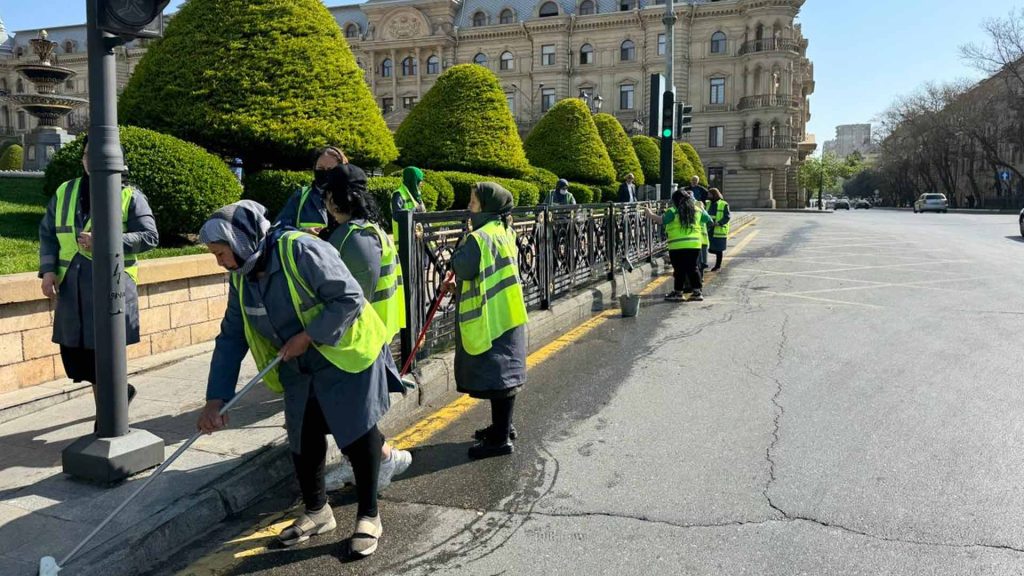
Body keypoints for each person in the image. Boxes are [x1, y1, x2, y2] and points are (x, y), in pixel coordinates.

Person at [197, 200, 391, 557]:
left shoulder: (301, 250)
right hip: (298, 367)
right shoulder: (241, 277)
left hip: (345, 354)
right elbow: (231, 337)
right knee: (303, 437)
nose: (219, 262)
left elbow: (348, 297)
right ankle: (318, 512)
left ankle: (369, 516)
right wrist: (215, 399)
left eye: (221, 253)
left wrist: (308, 336)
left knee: (358, 435)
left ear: (241, 241)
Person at [39, 137, 158, 431]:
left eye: (99, 154)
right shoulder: (65, 191)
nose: (91, 159)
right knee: (77, 355)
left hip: (111, 287)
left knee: (101, 353)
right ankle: (117, 397)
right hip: (72, 286)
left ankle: (106, 415)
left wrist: (105, 241)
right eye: (87, 154)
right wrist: (47, 271)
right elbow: (47, 233)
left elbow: (149, 237)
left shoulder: (129, 195)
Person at [321, 163, 412, 491]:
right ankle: (361, 462)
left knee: (350, 413)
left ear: (335, 198)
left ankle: (385, 459)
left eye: (327, 194)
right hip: (369, 334)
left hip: (356, 340)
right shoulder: (367, 230)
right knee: (350, 412)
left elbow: (351, 297)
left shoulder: (354, 238)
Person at [444, 183, 528, 459]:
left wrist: (457, 255)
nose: (469, 207)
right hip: (508, 311)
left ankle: (500, 439)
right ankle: (503, 427)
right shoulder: (503, 230)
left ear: (487, 208)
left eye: (473, 203)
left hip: (491, 316)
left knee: (499, 376)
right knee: (504, 373)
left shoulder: (480, 238)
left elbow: (464, 267)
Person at [647, 190, 711, 302]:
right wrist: (702, 208)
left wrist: (650, 214)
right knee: (693, 268)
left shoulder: (672, 211)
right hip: (694, 244)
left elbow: (662, 220)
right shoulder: (696, 210)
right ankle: (697, 292)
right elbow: (708, 220)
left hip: (677, 245)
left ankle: (678, 293)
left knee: (679, 269)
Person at [274, 146, 348, 236]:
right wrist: (303, 232)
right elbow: (276, 230)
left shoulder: (351, 199)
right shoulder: (301, 197)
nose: (325, 173)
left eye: (330, 169)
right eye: (320, 169)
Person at [392, 166, 426, 241]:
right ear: (413, 181)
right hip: (405, 242)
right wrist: (415, 209)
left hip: (417, 241)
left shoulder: (416, 195)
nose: (421, 184)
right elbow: (397, 216)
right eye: (419, 181)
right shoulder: (398, 194)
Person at [707, 188, 731, 271]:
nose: (708, 196)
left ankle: (717, 266)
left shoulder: (724, 204)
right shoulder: (708, 203)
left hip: (719, 230)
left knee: (719, 250)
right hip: (709, 230)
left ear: (714, 194)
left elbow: (727, 217)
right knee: (710, 249)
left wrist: (719, 223)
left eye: (709, 194)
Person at [695, 199, 712, 274]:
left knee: (698, 261)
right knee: (702, 262)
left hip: (696, 241)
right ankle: (701, 276)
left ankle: (700, 276)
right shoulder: (702, 213)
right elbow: (710, 221)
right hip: (703, 240)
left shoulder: (696, 213)